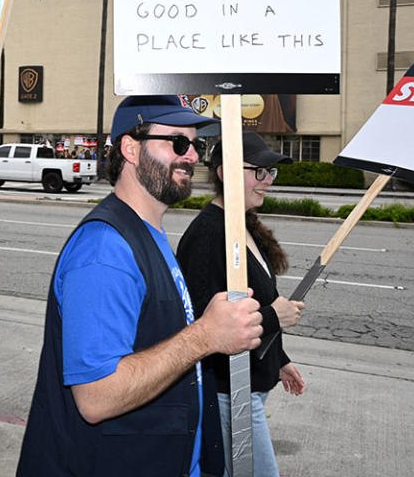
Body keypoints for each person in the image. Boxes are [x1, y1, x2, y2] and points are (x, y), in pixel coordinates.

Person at [17, 95, 265, 477]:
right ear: (131, 148)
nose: (193, 157)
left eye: (196, 145)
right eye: (178, 143)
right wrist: (205, 336)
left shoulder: (148, 233)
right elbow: (96, 397)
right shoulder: (104, 251)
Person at [177, 132, 306, 477]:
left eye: (270, 173)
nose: (267, 182)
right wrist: (274, 317)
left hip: (250, 387)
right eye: (258, 171)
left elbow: (251, 302)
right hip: (229, 393)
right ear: (225, 173)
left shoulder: (241, 226)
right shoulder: (207, 236)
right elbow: (203, 328)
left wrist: (280, 359)